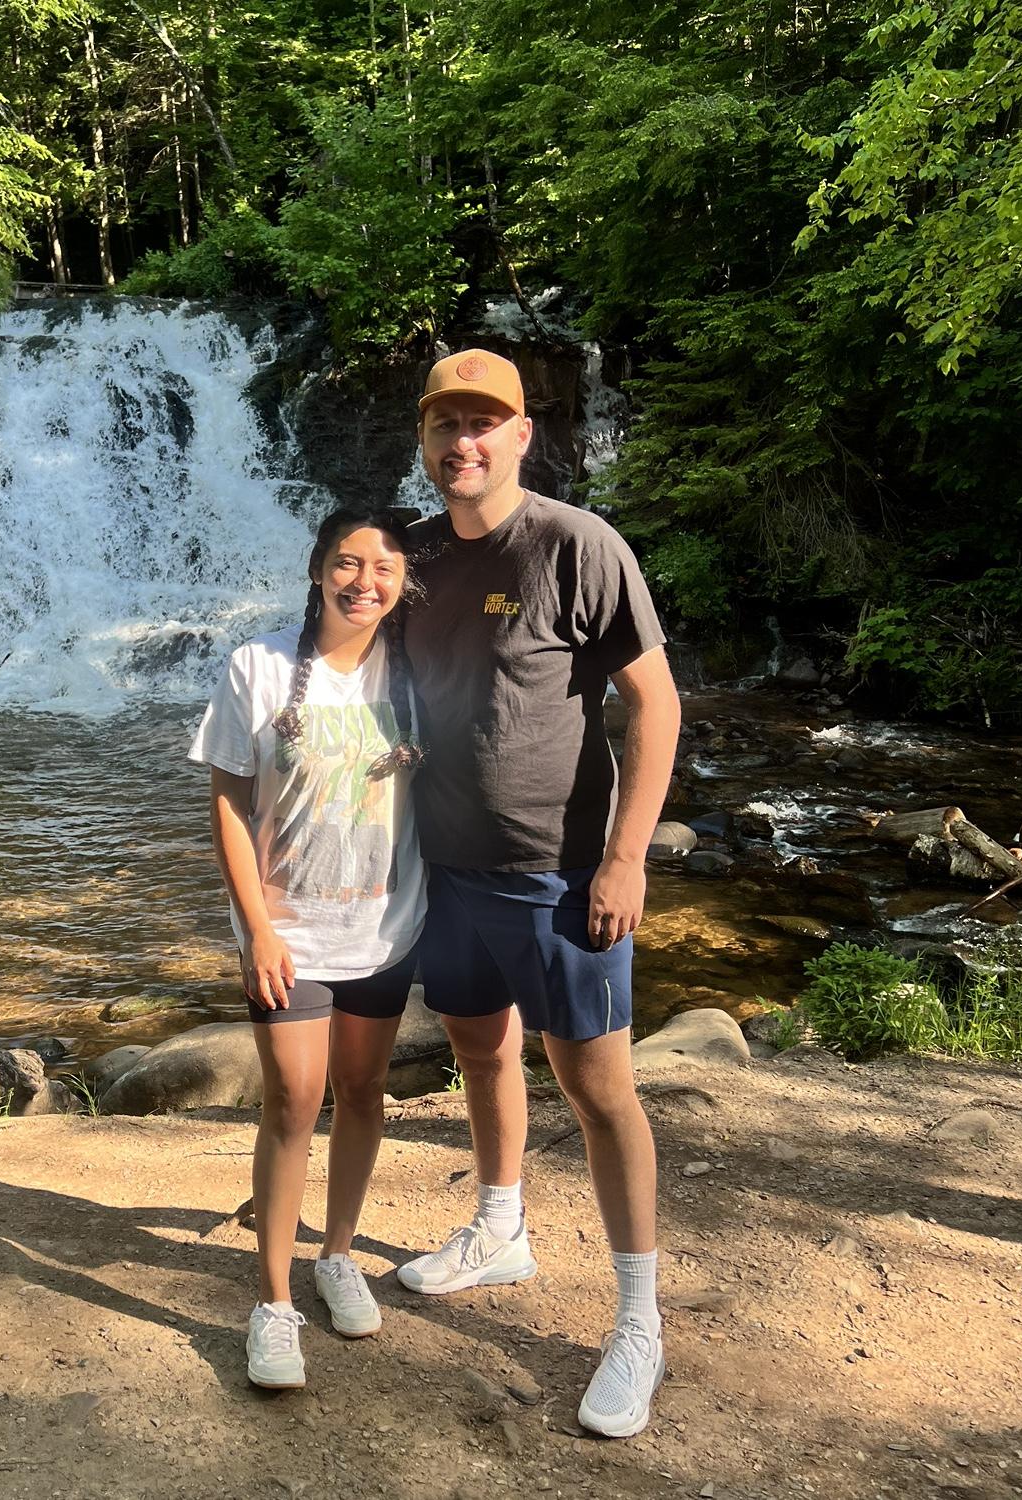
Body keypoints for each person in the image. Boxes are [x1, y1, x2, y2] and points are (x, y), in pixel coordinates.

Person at [397, 349, 681, 1439]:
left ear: (522, 435)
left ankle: (638, 1321)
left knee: (599, 1089)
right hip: (443, 867)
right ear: (425, 440)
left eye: (484, 423)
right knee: (478, 1048)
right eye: (445, 424)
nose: (462, 441)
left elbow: (655, 704)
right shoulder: (412, 556)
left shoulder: (577, 544)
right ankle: (500, 1226)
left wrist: (626, 857)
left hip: (557, 871)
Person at [188, 505, 426, 1390]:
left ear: (405, 583)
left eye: (385, 568)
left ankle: (337, 1255)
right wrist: (256, 927)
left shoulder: (419, 672)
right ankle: (274, 1302)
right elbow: (227, 802)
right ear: (319, 569)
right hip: (288, 936)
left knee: (363, 1092)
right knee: (293, 1100)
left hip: (387, 928)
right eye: (348, 563)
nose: (365, 582)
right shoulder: (256, 667)